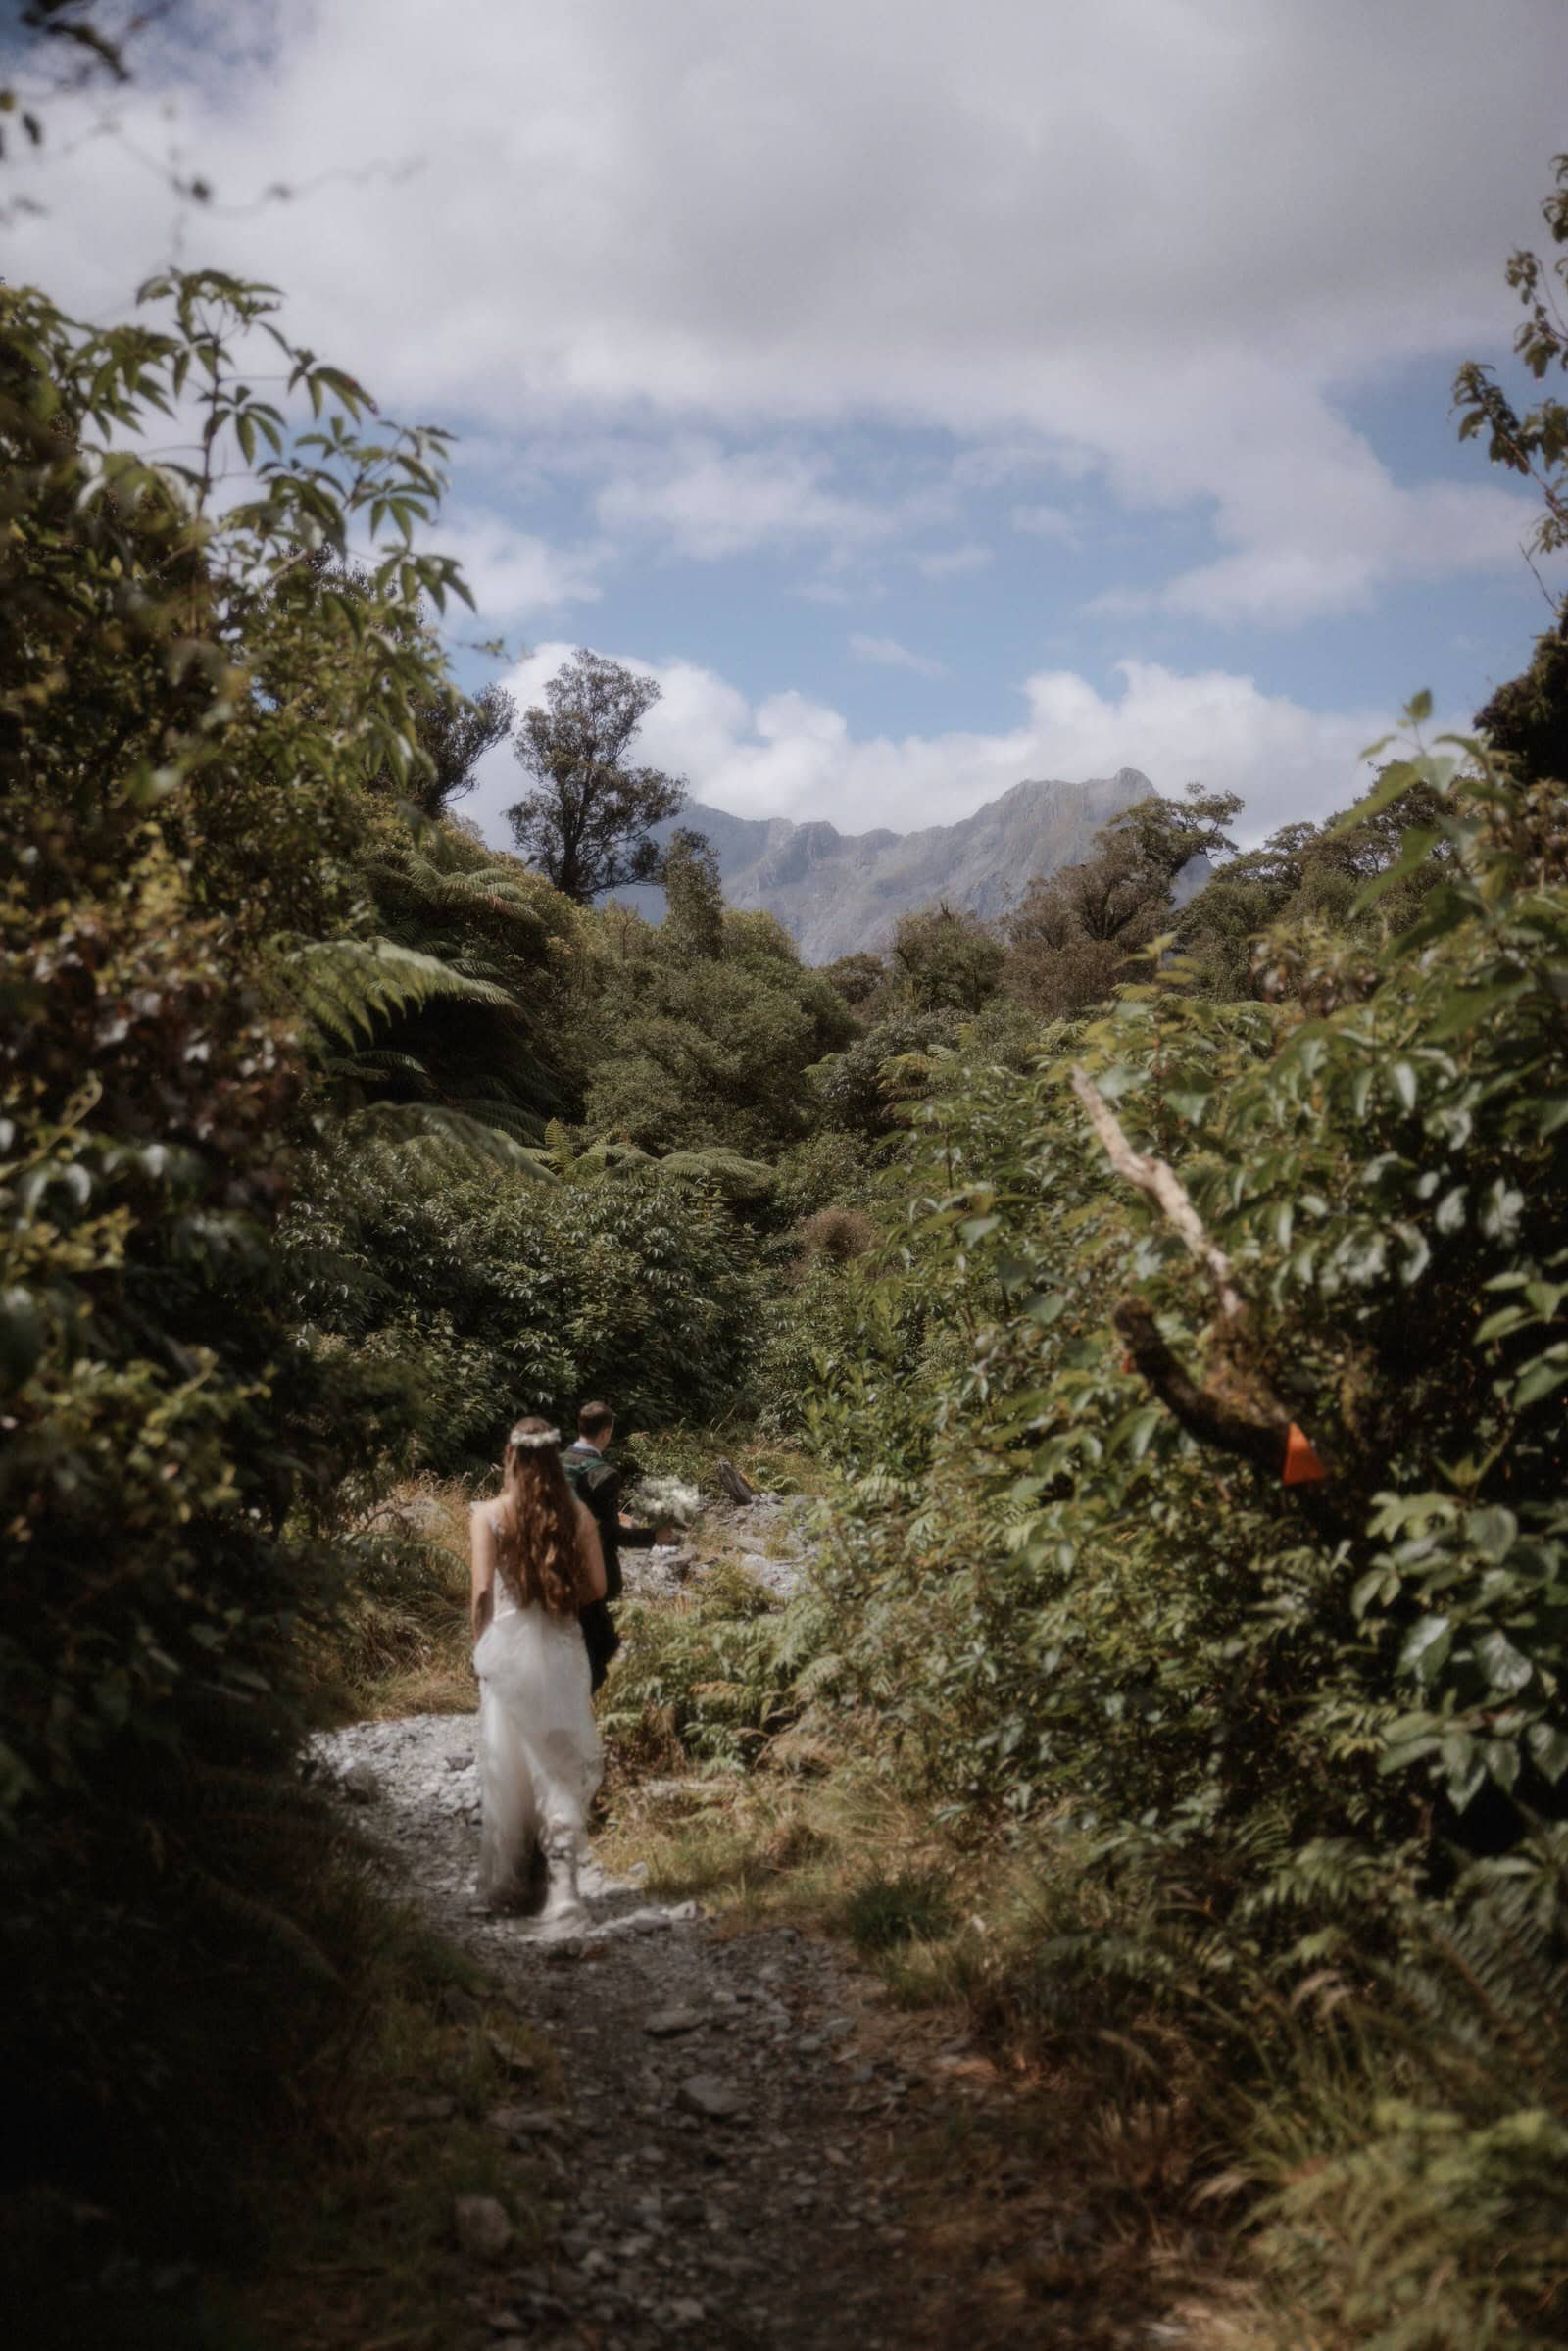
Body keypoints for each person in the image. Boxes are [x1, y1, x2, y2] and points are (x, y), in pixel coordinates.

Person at [469, 1416, 607, 1922]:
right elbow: (598, 1586)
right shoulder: (576, 1515)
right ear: (553, 1458)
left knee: (511, 1765)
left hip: (508, 1646)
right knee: (559, 1760)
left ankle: (512, 1884)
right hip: (562, 1645)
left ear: (510, 1456)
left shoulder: (489, 1515)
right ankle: (564, 1886)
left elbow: (483, 1594)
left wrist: (480, 1648)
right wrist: (560, 1603)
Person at [561, 1401, 676, 1690]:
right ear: (606, 1433)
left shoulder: (555, 1463)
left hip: (555, 1565)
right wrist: (654, 1536)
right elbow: (613, 1536)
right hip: (595, 1572)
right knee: (600, 1649)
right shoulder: (605, 1475)